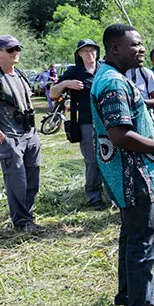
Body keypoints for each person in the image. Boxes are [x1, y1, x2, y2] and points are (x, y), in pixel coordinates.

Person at [91, 23, 154, 306]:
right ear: (115, 48)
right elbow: (120, 134)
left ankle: (128, 296)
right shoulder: (114, 83)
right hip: (133, 174)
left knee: (131, 234)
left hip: (128, 172)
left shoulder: (110, 77)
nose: (141, 50)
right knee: (146, 236)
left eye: (142, 44)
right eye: (135, 45)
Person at [0, 35, 42, 232]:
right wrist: (1, 136)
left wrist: (35, 134)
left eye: (17, 49)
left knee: (33, 179)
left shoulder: (20, 74)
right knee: (17, 182)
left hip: (30, 135)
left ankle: (28, 218)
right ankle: (21, 223)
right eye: (10, 50)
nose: (15, 52)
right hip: (9, 137)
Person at [51, 39, 104, 210]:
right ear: (79, 54)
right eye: (86, 51)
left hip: (107, 121)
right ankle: (94, 196)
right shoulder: (74, 71)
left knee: (111, 157)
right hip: (86, 122)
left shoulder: (104, 68)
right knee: (92, 160)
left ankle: (113, 194)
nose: (90, 54)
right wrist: (66, 84)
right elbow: (53, 93)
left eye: (93, 50)